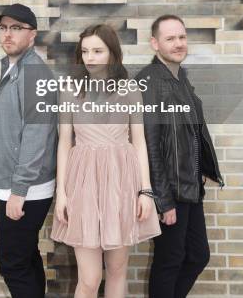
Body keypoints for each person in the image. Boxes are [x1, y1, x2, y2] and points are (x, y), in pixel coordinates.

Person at [51, 24, 161, 298]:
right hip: (84, 181)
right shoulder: (70, 90)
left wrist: (145, 190)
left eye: (98, 51)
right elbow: (65, 142)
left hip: (122, 181)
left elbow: (139, 142)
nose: (90, 57)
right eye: (85, 51)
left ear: (112, 53)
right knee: (90, 278)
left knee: (117, 269)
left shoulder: (130, 90)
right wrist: (61, 193)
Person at [136, 15, 224, 298]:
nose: (178, 43)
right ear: (155, 43)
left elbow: (190, 133)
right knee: (169, 261)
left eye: (182, 37)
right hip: (171, 192)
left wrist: (202, 168)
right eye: (170, 38)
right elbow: (149, 145)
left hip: (190, 187)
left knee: (197, 256)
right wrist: (163, 199)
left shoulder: (180, 78)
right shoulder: (149, 83)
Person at [0, 3, 58, 298]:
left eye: (16, 28)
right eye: (3, 28)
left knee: (12, 265)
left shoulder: (34, 73)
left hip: (25, 187)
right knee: (25, 258)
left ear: (32, 35)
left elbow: (37, 135)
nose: (7, 34)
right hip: (17, 184)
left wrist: (19, 189)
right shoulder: (14, 67)